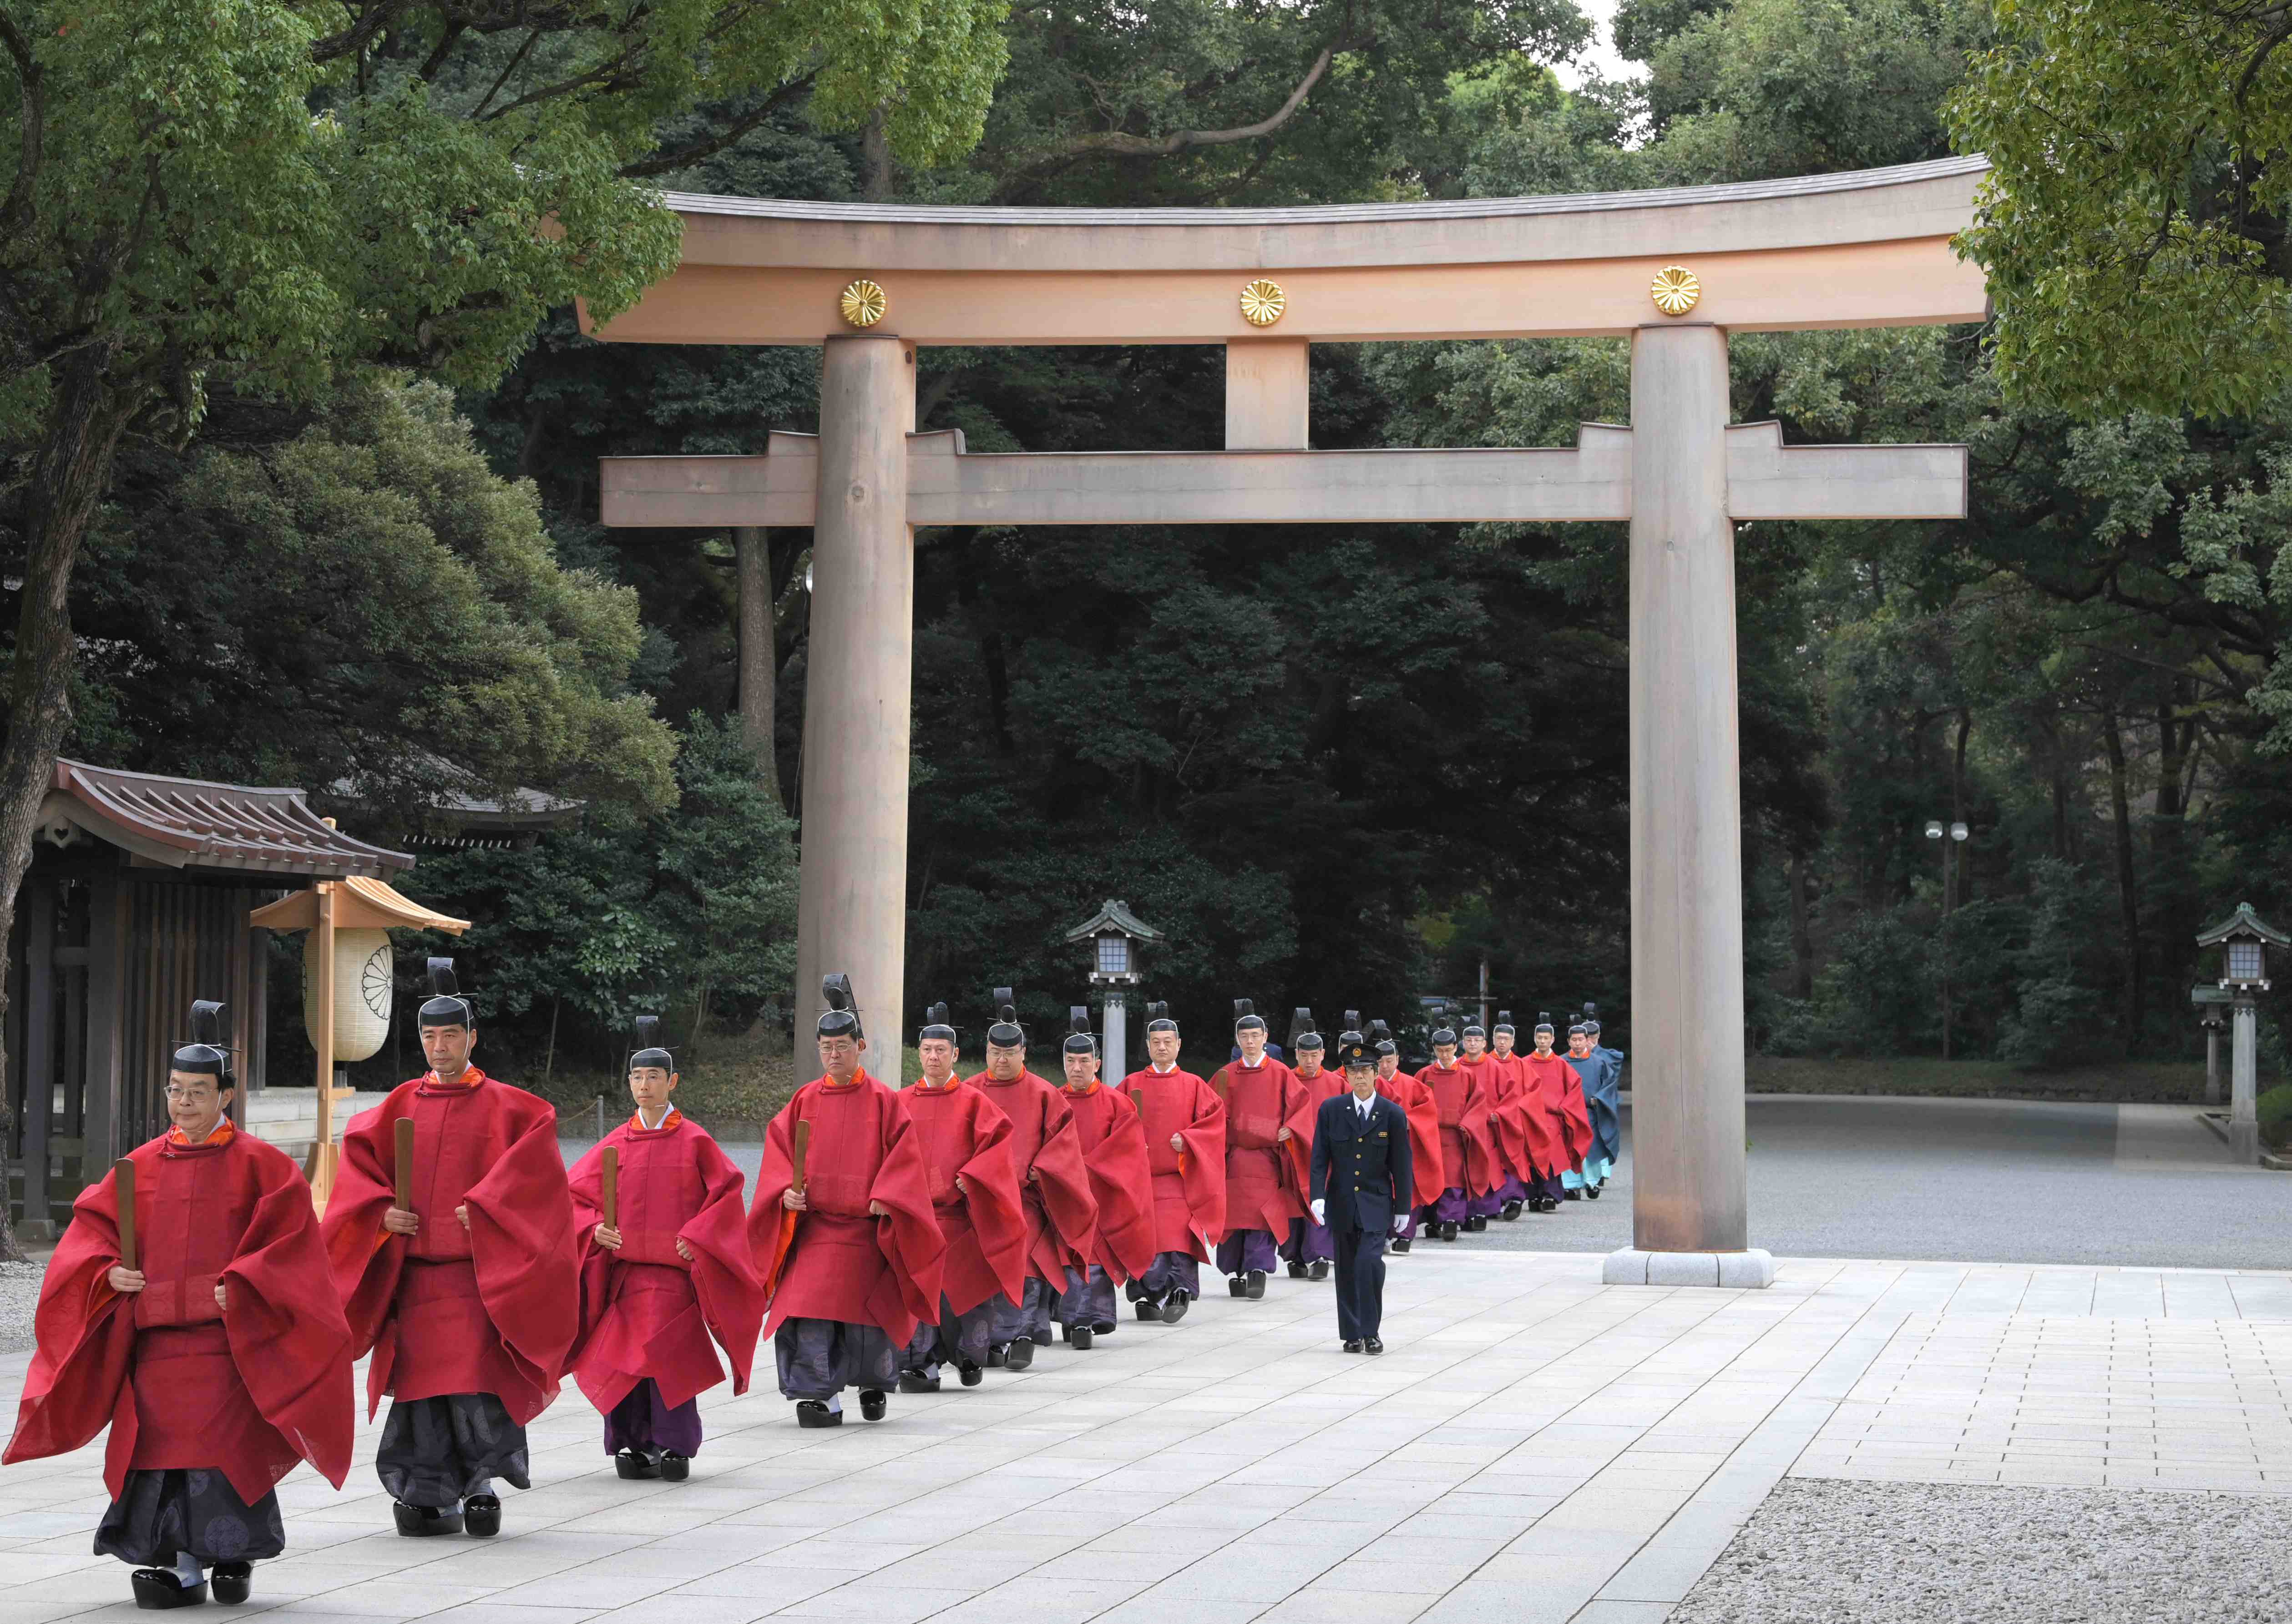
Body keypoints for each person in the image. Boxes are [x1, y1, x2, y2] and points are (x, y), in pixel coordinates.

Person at [4, 1002, 352, 1610]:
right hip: (157, 1348)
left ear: (226, 1095)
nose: (183, 1102)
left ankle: (226, 1553)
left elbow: (294, 1248)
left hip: (226, 1347)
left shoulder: (264, 1167)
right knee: (159, 1456)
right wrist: (108, 1273)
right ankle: (179, 1566)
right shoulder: (135, 1168)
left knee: (219, 1456)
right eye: (175, 1090)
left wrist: (246, 1283)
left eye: (197, 1091)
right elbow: (87, 1241)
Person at [324, 960, 578, 1538]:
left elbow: (538, 1187)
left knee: (474, 1381)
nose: (439, 1047)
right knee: (418, 1393)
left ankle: (481, 1485)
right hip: (414, 1280)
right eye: (429, 1037)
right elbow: (358, 1181)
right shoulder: (394, 1109)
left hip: (476, 1280)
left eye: (451, 1036)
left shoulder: (516, 1109)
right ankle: (426, 1496)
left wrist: (492, 1212)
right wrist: (379, 1214)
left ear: (472, 1038)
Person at [566, 1018, 763, 1482]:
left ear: (671, 1081)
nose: (644, 1086)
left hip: (674, 1278)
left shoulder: (694, 1140)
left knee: (669, 1360)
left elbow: (726, 1194)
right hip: (627, 1277)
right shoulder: (615, 1143)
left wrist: (699, 1237)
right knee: (625, 1363)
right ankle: (631, 1443)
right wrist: (595, 1229)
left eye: (654, 1077)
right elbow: (575, 1196)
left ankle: (675, 1445)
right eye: (636, 1077)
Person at [750, 977, 944, 1427]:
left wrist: (888, 1193)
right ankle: (818, 1396)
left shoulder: (884, 1101)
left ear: (860, 1046)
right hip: (816, 1231)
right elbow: (780, 1155)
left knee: (867, 1318)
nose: (833, 1055)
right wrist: (785, 1191)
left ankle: (873, 1385)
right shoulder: (803, 1100)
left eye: (842, 1046)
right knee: (805, 1309)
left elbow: (905, 1157)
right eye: (826, 1047)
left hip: (865, 1231)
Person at [895, 1000, 1028, 1391]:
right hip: (915, 1219)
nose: (933, 1057)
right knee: (918, 1292)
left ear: (955, 1054)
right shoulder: (898, 1104)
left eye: (941, 1051)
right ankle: (920, 1364)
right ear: (918, 1053)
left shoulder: (975, 1102)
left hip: (960, 1219)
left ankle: (969, 1358)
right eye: (926, 1050)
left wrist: (975, 1176)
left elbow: (998, 1149)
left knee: (962, 1297)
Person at [967, 991, 1097, 1370]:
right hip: (978, 1201)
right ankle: (989, 1342)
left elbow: (1063, 1145)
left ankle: (1020, 1335)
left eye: (1009, 1053)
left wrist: (1041, 1170)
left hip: (1025, 1198)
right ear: (986, 1052)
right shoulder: (970, 1091)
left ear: (1024, 1052)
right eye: (994, 1053)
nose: (1001, 1060)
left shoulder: (1044, 1094)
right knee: (983, 1272)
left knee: (1025, 1270)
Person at [1052, 1010, 1156, 1346]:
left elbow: (1127, 1152)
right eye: (1071, 1061)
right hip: (1060, 1196)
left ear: (1097, 1064)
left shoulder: (1117, 1104)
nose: (1077, 1068)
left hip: (1100, 1195)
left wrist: (1087, 1168)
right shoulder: (1051, 1101)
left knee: (1093, 1258)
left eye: (1084, 1061)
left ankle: (1086, 1320)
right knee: (1064, 1256)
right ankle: (1070, 1318)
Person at [1118, 1002, 1226, 1322]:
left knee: (1178, 1235)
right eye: (1155, 1042)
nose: (1162, 1047)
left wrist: (1190, 1140)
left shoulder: (1194, 1085)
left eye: (1168, 1042)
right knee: (1144, 1238)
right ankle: (1148, 1295)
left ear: (1179, 1045)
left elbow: (1215, 1124)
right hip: (1141, 1181)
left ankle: (1180, 1289)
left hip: (1179, 1179)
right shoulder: (1130, 1084)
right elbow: (1114, 1126)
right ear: (1148, 1046)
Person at [1309, 1035, 1413, 1355]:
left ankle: (1371, 1331)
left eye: (1365, 1070)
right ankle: (1352, 1334)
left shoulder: (1391, 1114)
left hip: (1376, 1203)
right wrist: (1317, 1196)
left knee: (1369, 1264)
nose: (1359, 1077)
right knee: (1346, 1268)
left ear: (1376, 1073)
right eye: (1353, 1071)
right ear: (1346, 1075)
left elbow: (1401, 1163)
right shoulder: (1332, 1109)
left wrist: (1404, 1207)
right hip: (1342, 1202)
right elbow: (1319, 1158)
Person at [1209, 999, 1310, 1301]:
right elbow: (1209, 1113)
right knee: (1233, 1218)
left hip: (1267, 1157)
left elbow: (1301, 1107)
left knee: (1262, 1215)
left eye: (1255, 1036)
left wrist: (1291, 1127)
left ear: (1266, 1037)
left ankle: (1257, 1271)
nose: (1250, 1042)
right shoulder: (1225, 1074)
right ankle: (1236, 1272)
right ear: (1237, 1040)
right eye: (1244, 1037)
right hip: (1234, 1157)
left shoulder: (1281, 1073)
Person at [1413, 1021, 1498, 1240]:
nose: (1444, 1055)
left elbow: (1478, 1104)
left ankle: (1451, 1220)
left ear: (1455, 1048)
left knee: (1454, 1180)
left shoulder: (1468, 1075)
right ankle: (1432, 1221)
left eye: (1449, 1051)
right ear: (1434, 1050)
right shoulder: (1424, 1075)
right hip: (1429, 1136)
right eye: (1440, 1051)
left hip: (1455, 1136)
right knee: (1430, 1179)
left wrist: (1468, 1124)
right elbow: (1413, 1104)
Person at [1281, 1011, 1347, 1280]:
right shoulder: (1285, 1079)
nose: (1309, 1061)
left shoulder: (1337, 1083)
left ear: (1322, 1054)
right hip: (1293, 1152)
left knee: (1322, 1201)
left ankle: (1320, 1255)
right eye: (1304, 1056)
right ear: (1297, 1054)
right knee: (1293, 1203)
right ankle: (1296, 1256)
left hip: (1326, 1154)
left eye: (1314, 1055)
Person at [1370, 1021, 1441, 1254]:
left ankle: (1404, 1235)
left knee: (1405, 1187)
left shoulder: (1412, 1084)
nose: (1385, 1066)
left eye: (1390, 1061)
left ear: (1398, 1060)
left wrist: (1408, 1121)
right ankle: (1382, 1235)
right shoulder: (1368, 1085)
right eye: (1380, 1062)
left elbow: (1428, 1109)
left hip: (1404, 1145)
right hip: (1377, 1146)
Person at [1489, 1013, 1563, 1214]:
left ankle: (1514, 1199)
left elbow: (1533, 1092)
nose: (1502, 1042)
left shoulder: (1522, 1066)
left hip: (1514, 1121)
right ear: (1493, 1040)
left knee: (1515, 1159)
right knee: (1492, 1161)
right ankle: (1495, 1202)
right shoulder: (1485, 1063)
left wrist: (1516, 1110)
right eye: (1499, 1039)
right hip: (1489, 1122)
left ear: (1513, 1042)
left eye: (1506, 1039)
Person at [1457, 1021, 1527, 1221]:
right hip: (1462, 1127)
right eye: (1469, 1040)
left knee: (1487, 1165)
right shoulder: (1457, 1067)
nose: (1472, 1044)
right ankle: (1464, 1209)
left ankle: (1488, 1207)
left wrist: (1501, 1113)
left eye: (1477, 1041)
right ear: (1462, 1043)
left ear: (1485, 1044)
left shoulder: (1495, 1067)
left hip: (1488, 1126)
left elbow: (1512, 1095)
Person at [1565, 1014, 1621, 1199]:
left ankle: (1592, 1182)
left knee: (1592, 1147)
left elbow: (1610, 1083)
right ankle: (1571, 1185)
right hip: (1568, 1113)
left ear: (1587, 1040)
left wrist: (1599, 1098)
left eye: (1581, 1039)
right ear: (1568, 1042)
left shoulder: (1600, 1062)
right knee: (1569, 1147)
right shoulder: (1562, 1062)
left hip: (1590, 1111)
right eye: (1574, 1040)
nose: (1578, 1043)